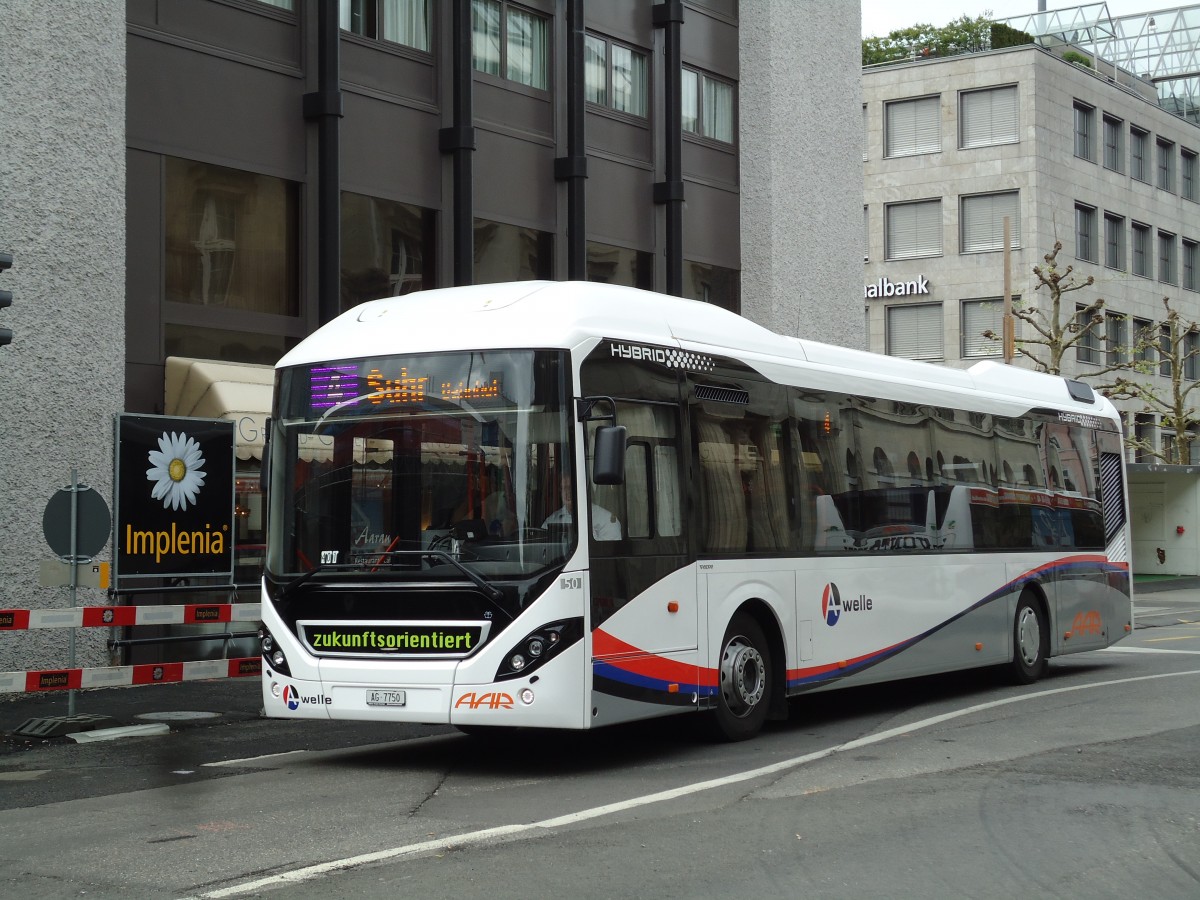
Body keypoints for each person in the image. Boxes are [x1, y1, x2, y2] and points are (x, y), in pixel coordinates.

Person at [543, 472, 621, 541]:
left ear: (582, 489)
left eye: (571, 488)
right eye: (564, 488)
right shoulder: (552, 520)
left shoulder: (606, 520)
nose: (568, 492)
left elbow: (608, 553)